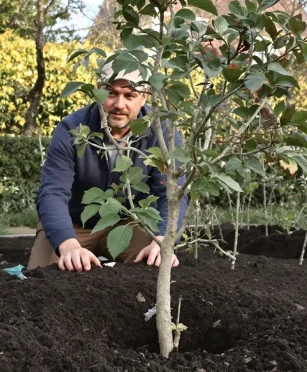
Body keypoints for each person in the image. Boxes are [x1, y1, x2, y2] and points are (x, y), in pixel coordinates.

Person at [26, 61, 189, 272]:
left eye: (130, 95)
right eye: (111, 93)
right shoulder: (72, 130)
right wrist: (68, 246)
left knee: (156, 265)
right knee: (41, 275)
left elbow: (172, 193)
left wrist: (162, 241)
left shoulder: (162, 132)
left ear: (144, 96)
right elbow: (52, 193)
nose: (119, 104)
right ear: (98, 92)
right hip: (75, 225)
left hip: (129, 224)